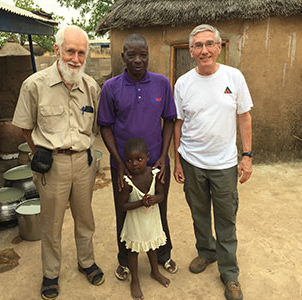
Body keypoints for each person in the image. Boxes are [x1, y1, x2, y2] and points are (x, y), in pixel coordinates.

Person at [12, 25, 104, 300]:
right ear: (57, 50)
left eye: (81, 53)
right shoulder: (34, 85)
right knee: (51, 223)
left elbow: (95, 127)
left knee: (85, 218)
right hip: (52, 165)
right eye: (70, 51)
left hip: (84, 164)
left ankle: (86, 262)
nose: (75, 58)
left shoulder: (90, 86)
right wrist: (39, 152)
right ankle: (51, 273)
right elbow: (25, 128)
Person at [173, 24, 253, 300]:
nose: (204, 50)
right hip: (192, 161)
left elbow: (244, 116)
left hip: (224, 165)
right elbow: (178, 124)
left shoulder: (234, 77)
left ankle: (230, 274)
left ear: (219, 47)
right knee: (198, 213)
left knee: (226, 219)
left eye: (209, 44)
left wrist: (247, 155)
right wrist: (178, 160)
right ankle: (206, 252)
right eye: (198, 45)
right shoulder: (182, 83)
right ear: (191, 51)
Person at [97, 33, 178, 281]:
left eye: (143, 55)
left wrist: (164, 156)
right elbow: (105, 126)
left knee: (158, 208)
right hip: (123, 168)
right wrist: (120, 162)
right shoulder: (111, 87)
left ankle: (163, 255)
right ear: (123, 56)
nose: (138, 60)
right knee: (125, 213)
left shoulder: (161, 83)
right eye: (131, 55)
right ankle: (124, 260)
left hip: (155, 165)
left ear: (148, 55)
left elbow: (169, 120)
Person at [118, 137, 170, 300]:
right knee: (133, 251)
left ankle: (155, 271)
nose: (134, 164)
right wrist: (140, 203)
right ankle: (135, 280)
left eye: (139, 159)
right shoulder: (127, 181)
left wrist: (155, 199)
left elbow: (161, 194)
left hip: (151, 221)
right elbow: (122, 206)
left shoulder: (154, 175)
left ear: (147, 157)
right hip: (135, 223)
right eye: (129, 160)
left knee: (152, 246)